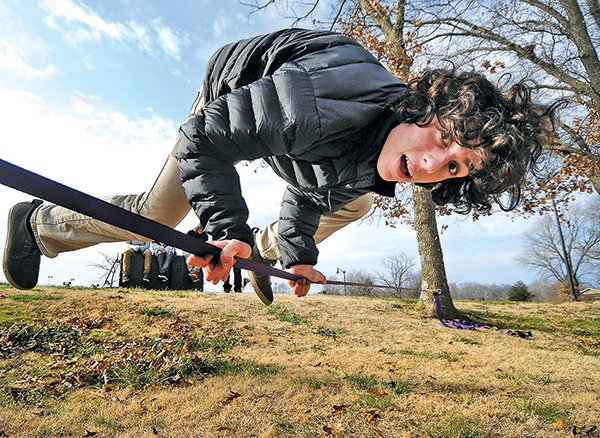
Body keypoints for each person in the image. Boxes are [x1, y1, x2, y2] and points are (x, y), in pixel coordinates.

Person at [3, 28, 557, 305]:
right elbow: (207, 139)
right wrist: (225, 229)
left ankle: (261, 251)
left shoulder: (379, 155)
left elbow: (311, 187)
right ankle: (36, 224)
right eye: (444, 138)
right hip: (229, 103)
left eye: (457, 168)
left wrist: (297, 255)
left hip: (292, 135)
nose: (436, 164)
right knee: (157, 214)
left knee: (357, 198)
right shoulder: (322, 105)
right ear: (423, 108)